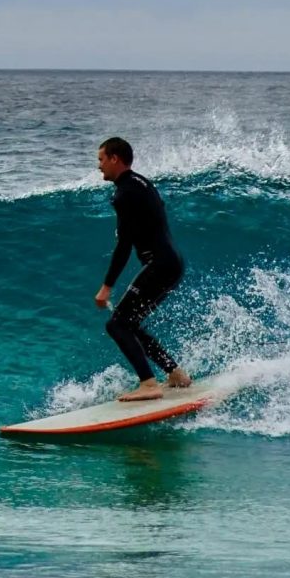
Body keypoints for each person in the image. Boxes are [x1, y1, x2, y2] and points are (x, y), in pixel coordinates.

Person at [94, 137, 191, 401]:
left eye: (101, 159)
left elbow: (124, 245)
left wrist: (106, 287)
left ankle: (149, 384)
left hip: (160, 264)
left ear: (115, 158)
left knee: (117, 325)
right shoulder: (141, 182)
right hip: (171, 262)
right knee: (130, 323)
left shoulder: (124, 194)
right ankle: (175, 374)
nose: (99, 166)